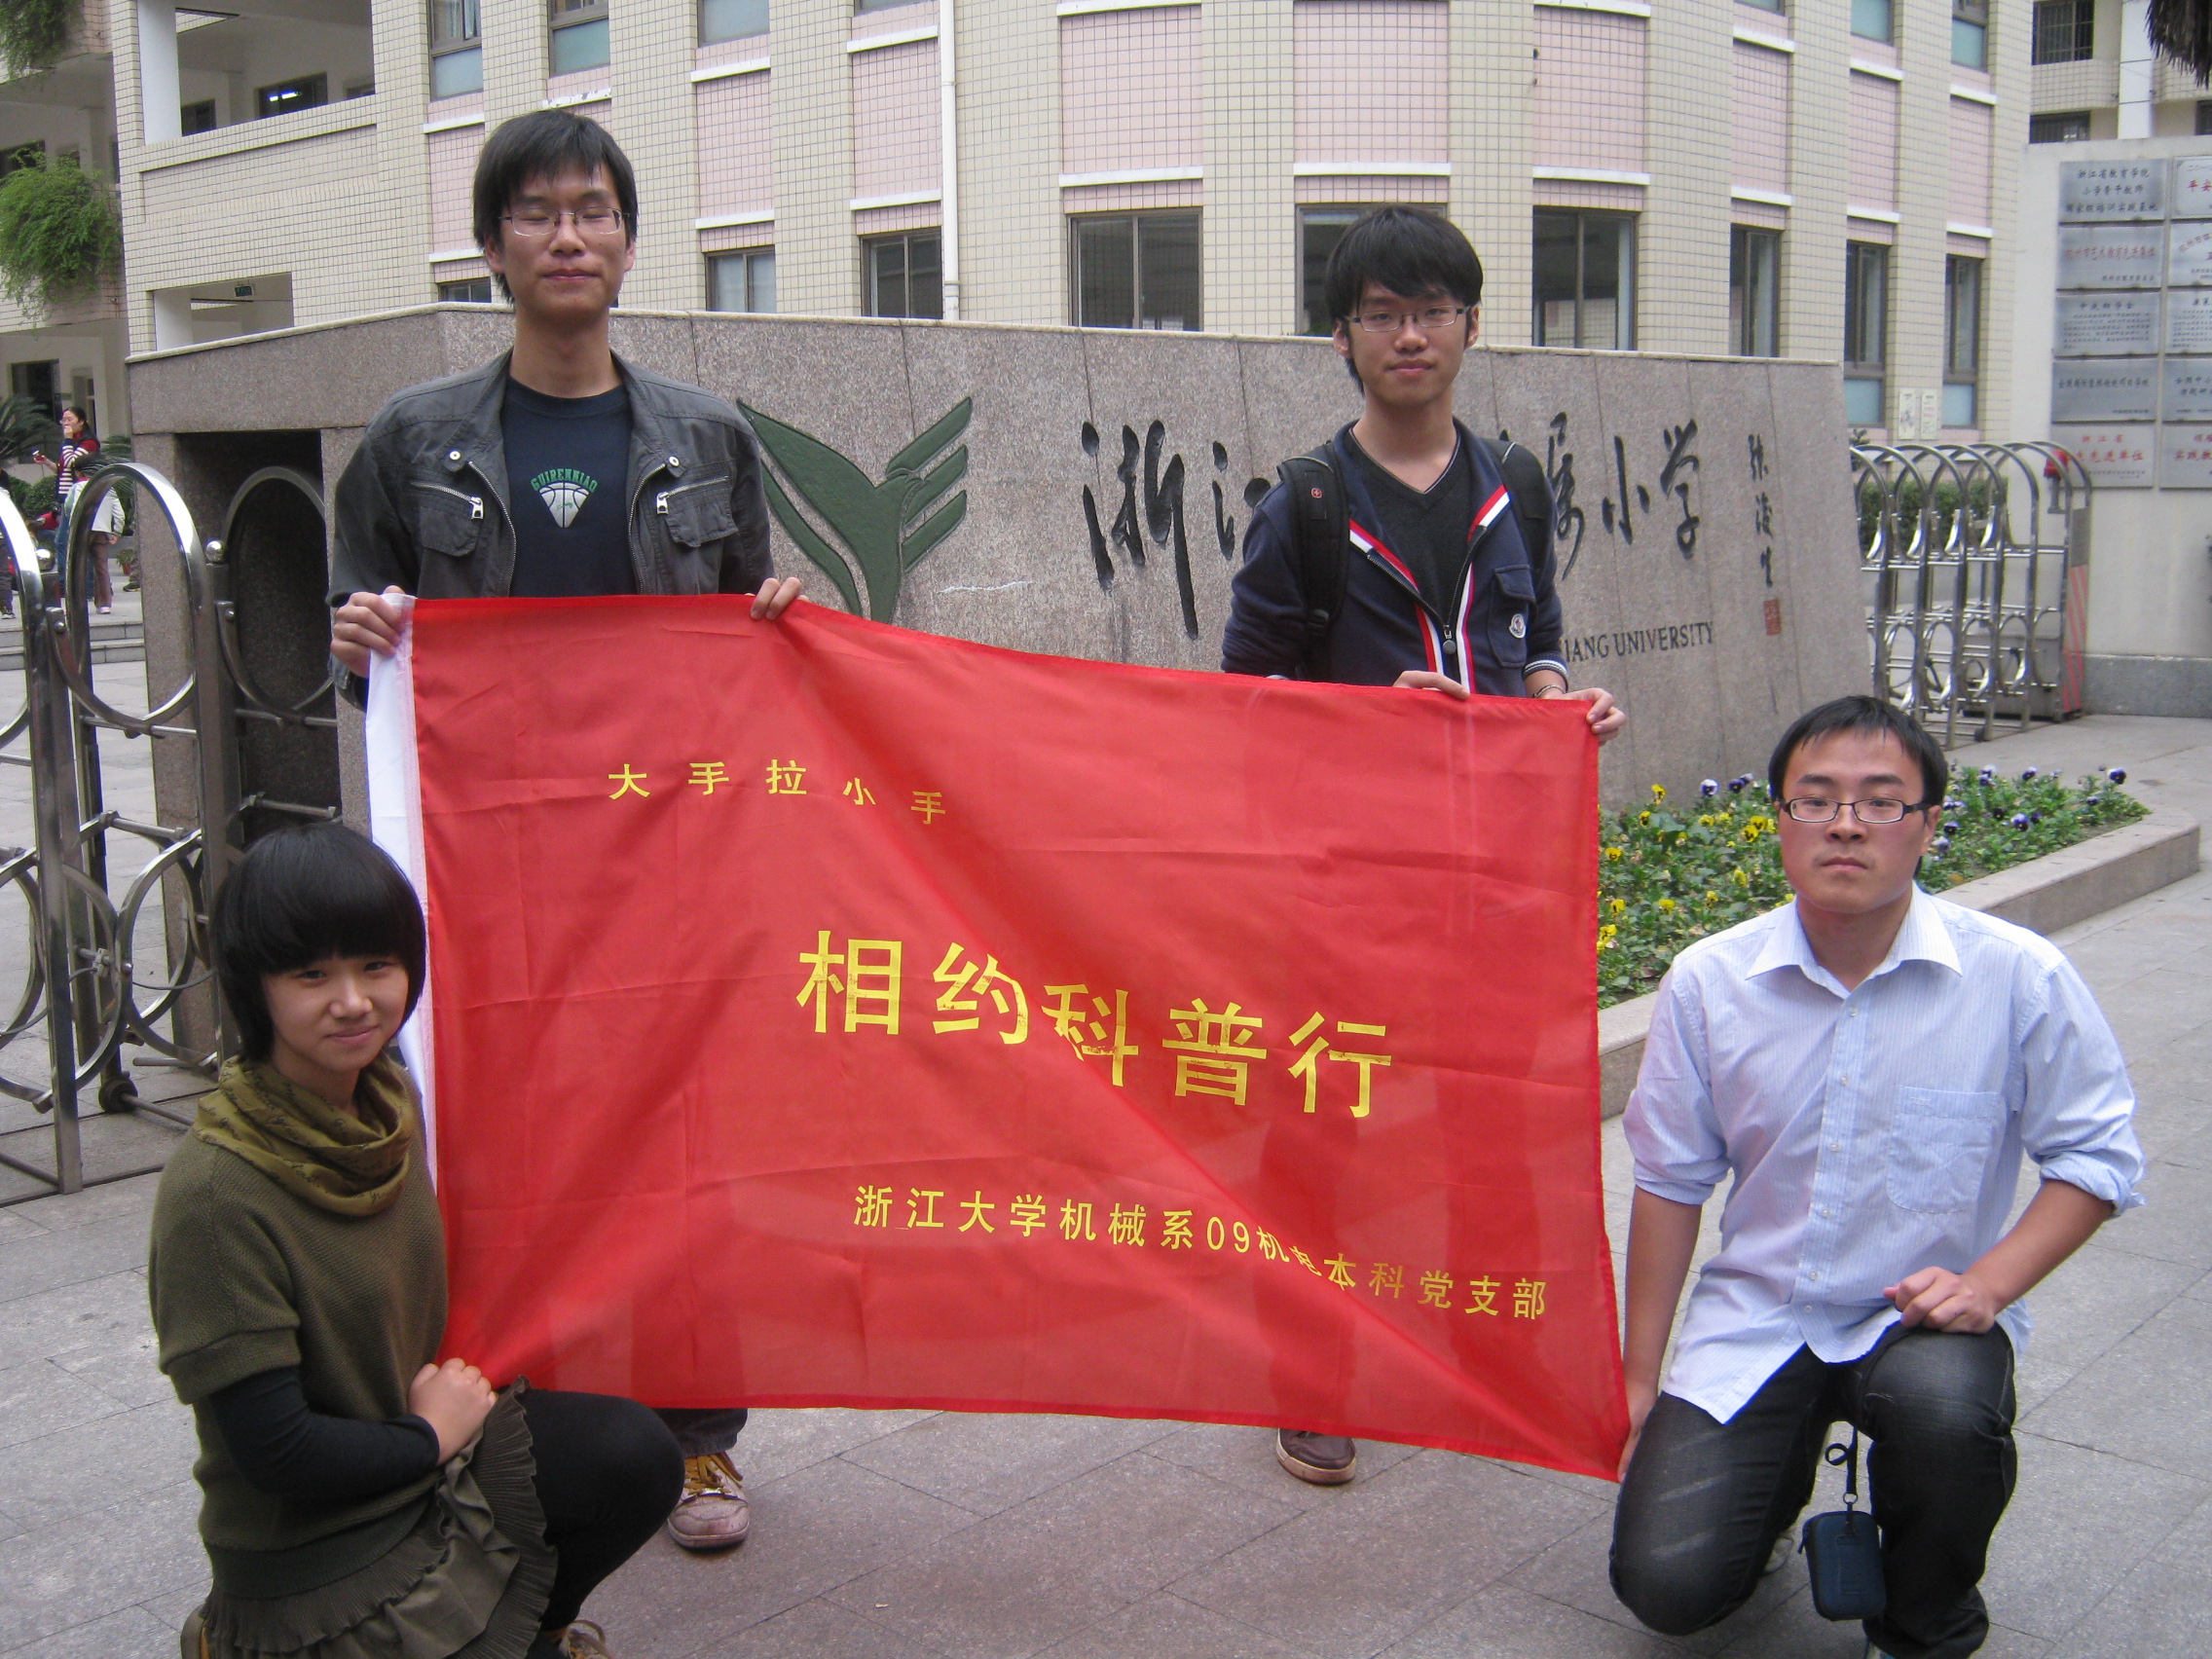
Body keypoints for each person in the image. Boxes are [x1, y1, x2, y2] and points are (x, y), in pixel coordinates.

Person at [327, 108, 798, 1552]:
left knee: (687, 1138)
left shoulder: (706, 436)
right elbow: (362, 650)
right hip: (499, 868)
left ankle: (698, 1438)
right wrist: (359, 642)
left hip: (666, 861)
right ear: (491, 247)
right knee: (504, 1133)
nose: (568, 236)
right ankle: (510, 1420)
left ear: (630, 241)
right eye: (535, 214)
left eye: (593, 210)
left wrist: (782, 626)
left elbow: (746, 628)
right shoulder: (415, 442)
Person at [1220, 204, 1624, 1488]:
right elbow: (1243, 702)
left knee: (1491, 1125)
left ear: (1470, 326)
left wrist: (1557, 693)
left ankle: (1494, 1354)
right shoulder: (1305, 502)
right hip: (1348, 883)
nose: (1410, 335)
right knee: (1322, 1129)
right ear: (1342, 339)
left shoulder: (1515, 485)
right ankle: (1311, 1376)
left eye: (1432, 311)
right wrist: (1364, 719)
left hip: (1493, 875)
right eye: (1383, 314)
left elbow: (1536, 632)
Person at [1610, 696, 2145, 1659]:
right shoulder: (1710, 981)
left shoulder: (2016, 977)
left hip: (1923, 1322)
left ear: (1929, 826)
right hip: (1761, 1317)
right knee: (1666, 1588)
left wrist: (1987, 1286)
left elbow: (2097, 1159)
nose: (1846, 825)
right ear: (1778, 819)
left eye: (1881, 801)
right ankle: (1771, 1491)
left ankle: (1923, 1622)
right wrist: (1637, 1380)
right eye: (1814, 799)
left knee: (1945, 1418)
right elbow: (1669, 1182)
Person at [151, 823, 682, 1659]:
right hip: (318, 1543)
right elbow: (278, 1455)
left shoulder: (387, 1103)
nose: (353, 1001)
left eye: (377, 965)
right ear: (254, 986)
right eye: (311, 974)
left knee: (634, 1454)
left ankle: (534, 1637)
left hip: (423, 1449)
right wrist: (430, 1435)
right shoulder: (217, 1196)